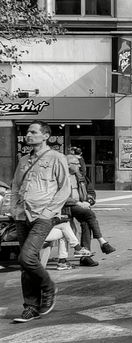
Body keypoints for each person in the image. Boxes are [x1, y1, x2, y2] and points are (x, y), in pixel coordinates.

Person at [8, 121, 71, 324]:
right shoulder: (24, 159)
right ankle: (31, 307)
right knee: (26, 265)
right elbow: (16, 186)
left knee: (26, 258)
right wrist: (14, 208)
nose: (28, 134)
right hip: (21, 215)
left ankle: (48, 286)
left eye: (33, 132)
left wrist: (48, 212)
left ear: (45, 136)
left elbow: (64, 189)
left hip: (42, 216)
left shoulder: (56, 158)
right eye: (27, 132)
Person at [64, 153, 115, 266]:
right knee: (89, 214)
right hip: (66, 207)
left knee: (86, 223)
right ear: (68, 165)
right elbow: (60, 197)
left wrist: (89, 201)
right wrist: (78, 203)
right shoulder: (61, 177)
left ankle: (85, 257)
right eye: (76, 164)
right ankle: (102, 241)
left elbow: (91, 192)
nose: (79, 166)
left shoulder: (81, 177)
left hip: (80, 205)